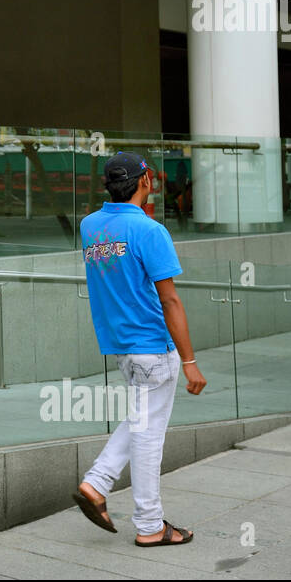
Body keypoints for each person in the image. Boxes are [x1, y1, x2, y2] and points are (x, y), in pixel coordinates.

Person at [73, 152, 207, 547]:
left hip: (121, 347)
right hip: (153, 345)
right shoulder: (149, 230)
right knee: (149, 437)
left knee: (139, 420)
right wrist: (190, 362)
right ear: (145, 180)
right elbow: (170, 301)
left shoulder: (90, 226)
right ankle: (150, 525)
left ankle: (96, 484)